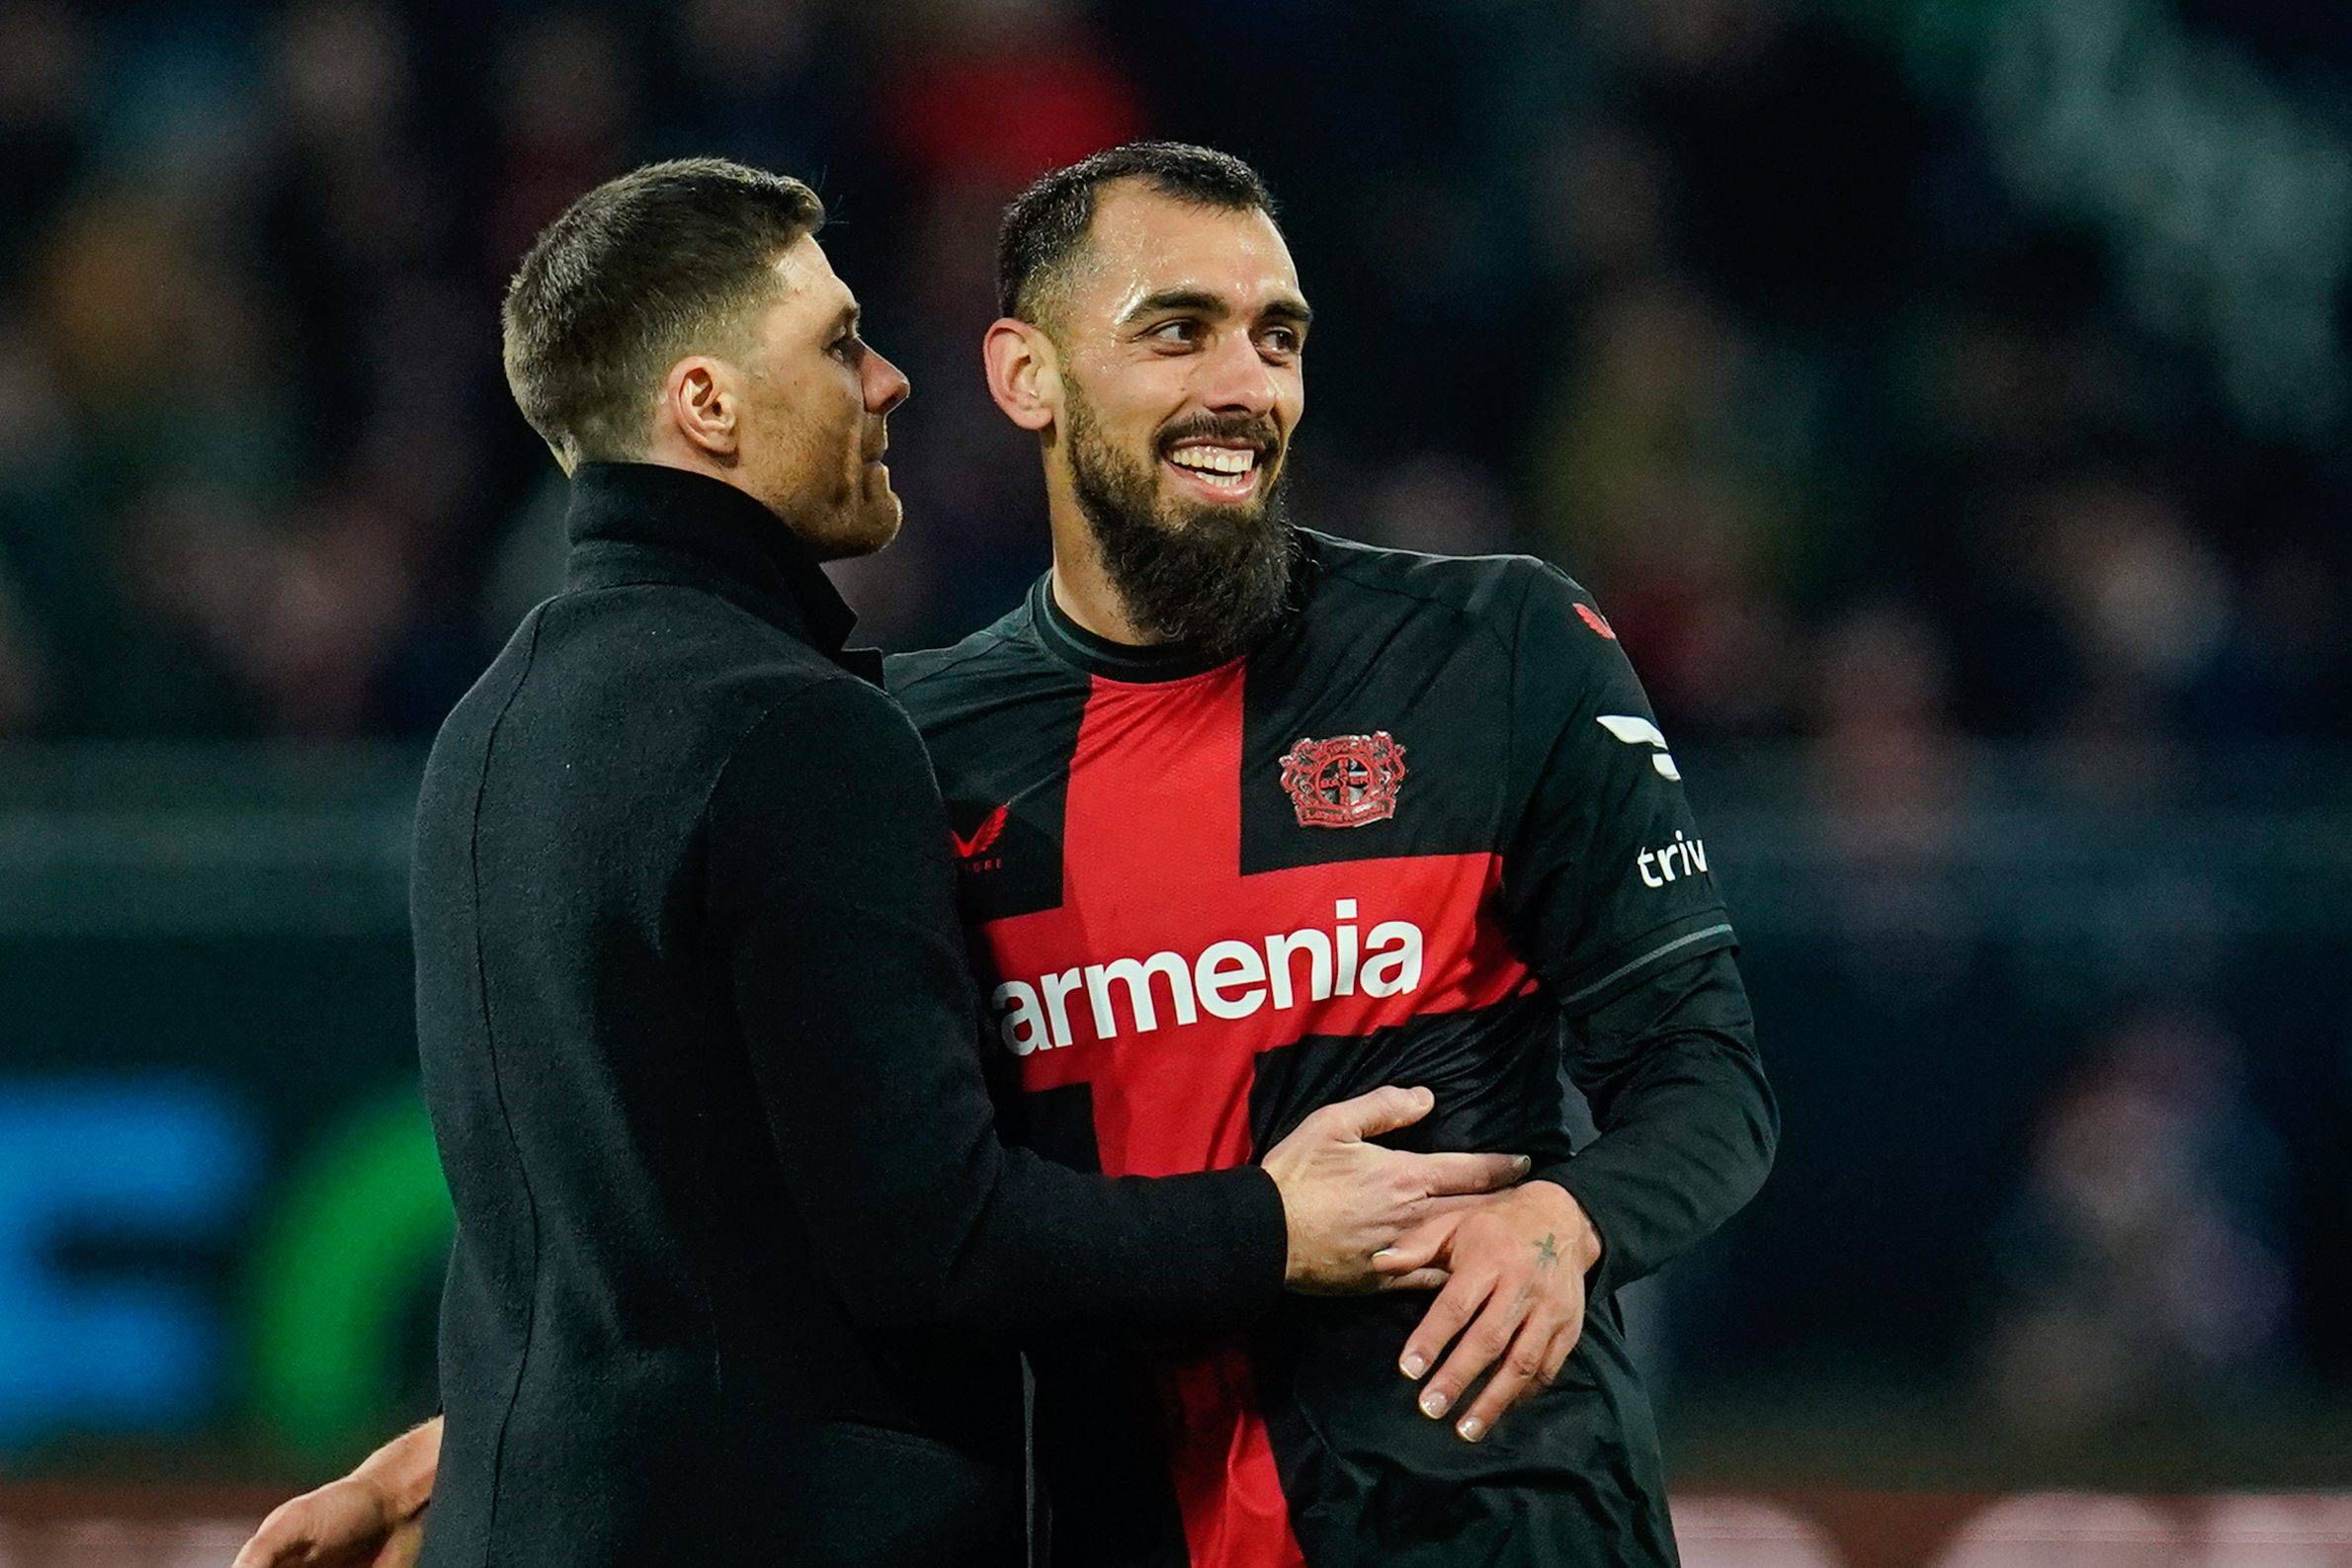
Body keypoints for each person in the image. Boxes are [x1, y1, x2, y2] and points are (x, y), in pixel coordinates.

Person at [239, 142, 1781, 1568]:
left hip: (1487, 1525)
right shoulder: (905, 746)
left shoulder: (1497, 647)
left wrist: (1563, 1218)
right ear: (1027, 375)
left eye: (1279, 334)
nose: (1246, 381)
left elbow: (1708, 1078)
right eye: (1178, 329)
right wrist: (469, 1449)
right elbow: (819, 1243)